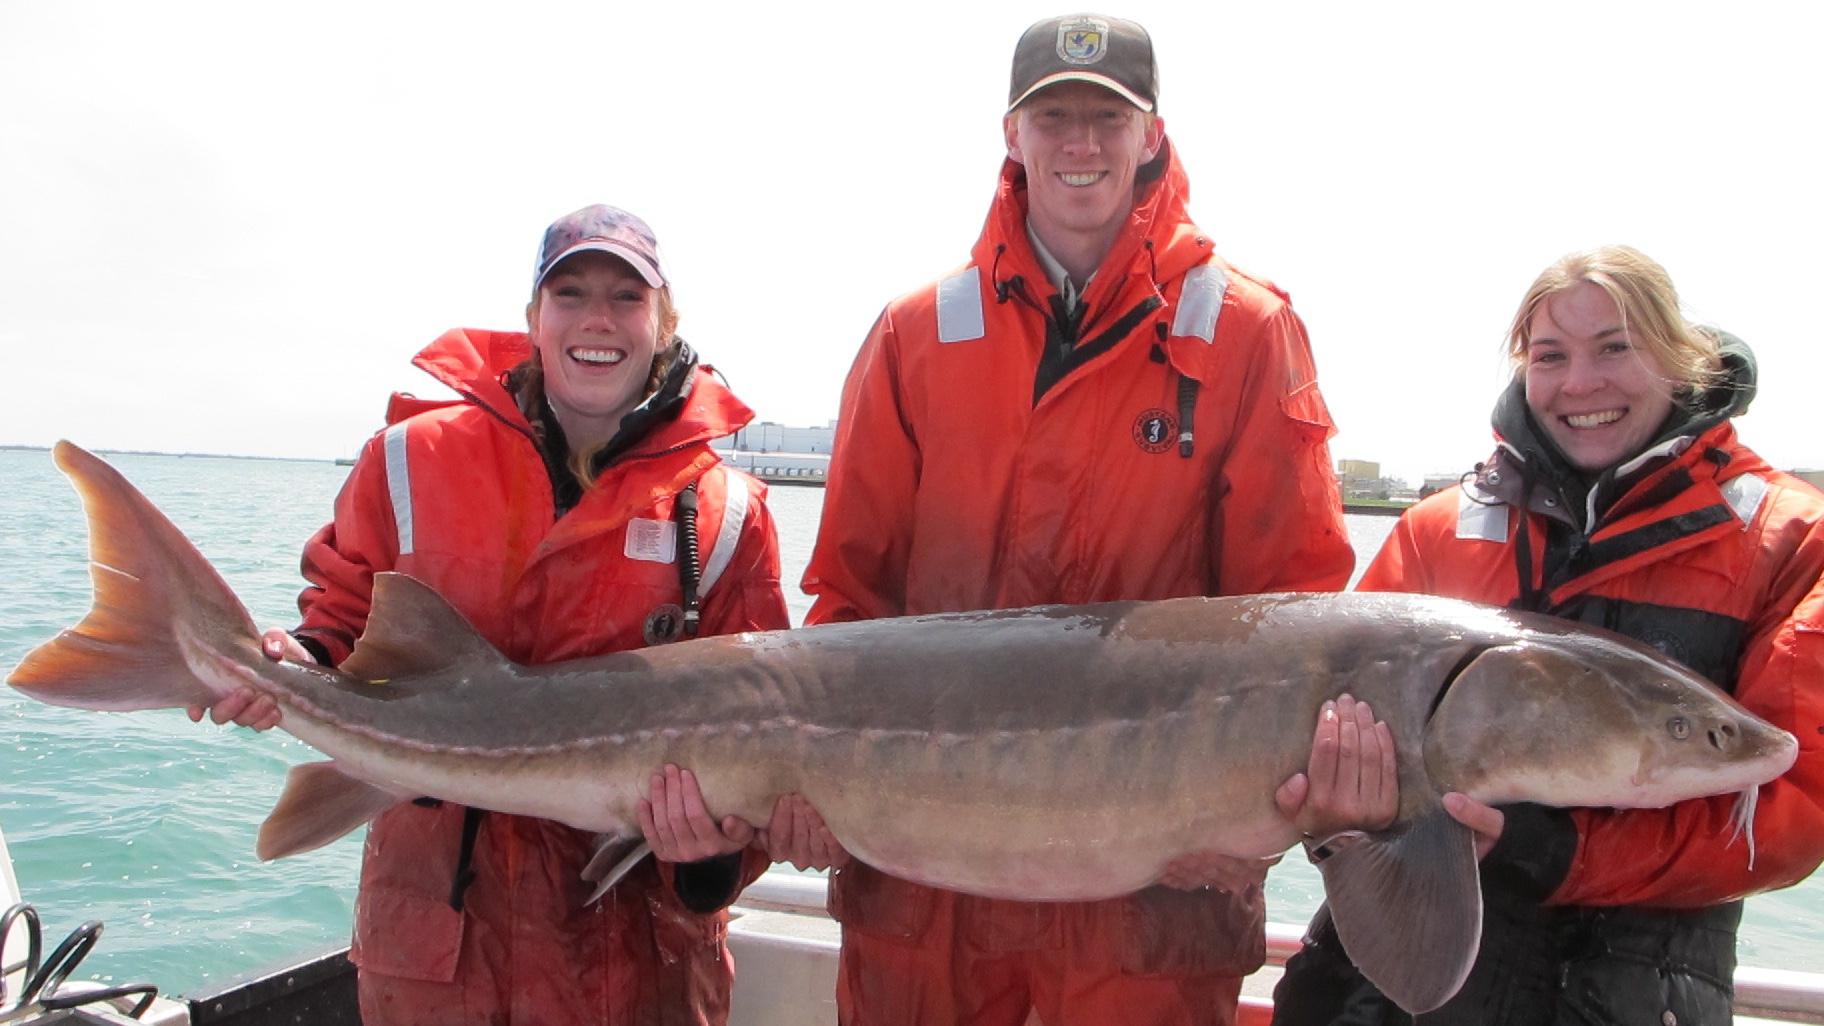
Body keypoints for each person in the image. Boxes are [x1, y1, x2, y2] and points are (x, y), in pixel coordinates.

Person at [800, 13, 1359, 1025]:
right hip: (923, 919)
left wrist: (1263, 825)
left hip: (1148, 927)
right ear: (1010, 136)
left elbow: (1303, 624)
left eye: (1108, 117)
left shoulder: (1246, 330)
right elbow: (848, 600)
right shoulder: (915, 334)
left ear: (1153, 135)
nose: (1081, 143)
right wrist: (803, 783)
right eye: (1052, 116)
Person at [196, 204, 793, 1025]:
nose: (597, 319)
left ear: (663, 322)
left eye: (626, 297)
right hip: (440, 955)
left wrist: (708, 860)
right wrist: (291, 662)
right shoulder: (410, 458)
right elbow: (340, 616)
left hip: (634, 968)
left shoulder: (727, 513)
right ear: (532, 320)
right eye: (570, 292)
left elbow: (773, 751)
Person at [1272, 245, 1824, 1025]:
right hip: (1392, 990)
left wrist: (1560, 852)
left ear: (1681, 357)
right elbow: (1332, 754)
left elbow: (1797, 804)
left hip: (1631, 993)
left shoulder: (1792, 539)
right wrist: (1336, 824)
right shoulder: (1437, 530)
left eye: (1615, 348)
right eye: (1550, 356)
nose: (1580, 384)